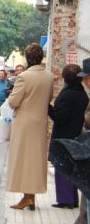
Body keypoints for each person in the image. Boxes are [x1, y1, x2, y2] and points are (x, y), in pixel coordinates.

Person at [6, 43, 54, 210]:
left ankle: (27, 197)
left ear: (27, 58)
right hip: (40, 122)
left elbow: (13, 101)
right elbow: (49, 97)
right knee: (35, 159)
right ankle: (30, 195)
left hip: (24, 123)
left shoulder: (24, 77)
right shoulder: (49, 76)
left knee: (23, 159)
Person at [48, 64, 89, 208]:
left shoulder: (68, 94)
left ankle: (66, 200)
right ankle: (71, 199)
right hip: (75, 134)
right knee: (71, 169)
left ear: (65, 78)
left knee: (63, 168)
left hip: (64, 135)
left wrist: (49, 108)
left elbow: (61, 117)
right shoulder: (81, 93)